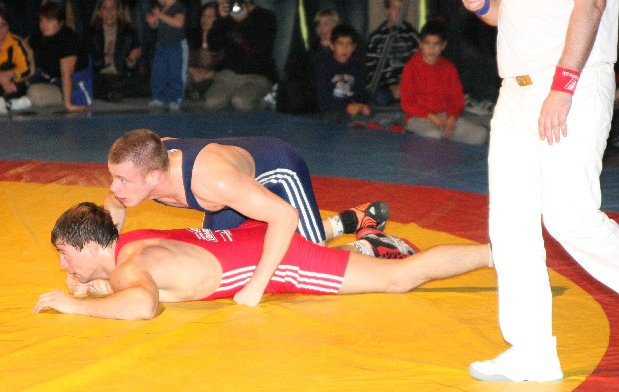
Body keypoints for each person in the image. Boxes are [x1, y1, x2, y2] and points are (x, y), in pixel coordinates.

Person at [462, 0, 619, 382]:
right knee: (510, 225)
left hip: (572, 83)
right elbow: (506, 15)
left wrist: (563, 86)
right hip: (515, 90)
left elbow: (591, 5)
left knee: (571, 218)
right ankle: (531, 351)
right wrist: (482, 6)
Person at [34, 202, 491, 320]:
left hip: (278, 259)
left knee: (399, 280)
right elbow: (147, 281)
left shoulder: (131, 270)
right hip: (252, 237)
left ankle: (500, 254)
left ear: (91, 247)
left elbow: (142, 305)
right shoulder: (129, 245)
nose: (61, 265)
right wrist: (96, 285)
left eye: (64, 254)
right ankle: (368, 241)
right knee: (368, 267)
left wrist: (76, 304)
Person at [103, 129, 392, 306]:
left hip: (278, 172)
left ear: (154, 177)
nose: (115, 188)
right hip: (231, 190)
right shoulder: (147, 164)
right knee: (236, 256)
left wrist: (256, 286)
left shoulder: (212, 182)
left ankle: (368, 245)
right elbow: (113, 203)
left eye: (122, 180)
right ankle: (344, 221)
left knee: (309, 259)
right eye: (115, 177)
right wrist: (106, 259)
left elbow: (285, 216)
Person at [399, 20, 488, 145]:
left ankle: (450, 146)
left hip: (445, 117)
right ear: (420, 44)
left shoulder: (449, 68)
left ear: (443, 46)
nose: (431, 48)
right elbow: (407, 103)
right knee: (434, 136)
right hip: (419, 118)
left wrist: (451, 117)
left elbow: (457, 99)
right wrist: (431, 116)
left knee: (480, 135)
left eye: (436, 44)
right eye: (427, 43)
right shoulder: (410, 68)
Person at [203, 0, 277, 111]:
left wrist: (243, 21)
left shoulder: (265, 17)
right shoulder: (227, 17)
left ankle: (265, 102)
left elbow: (260, 49)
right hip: (228, 74)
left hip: (256, 76)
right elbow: (213, 46)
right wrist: (221, 19)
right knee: (211, 102)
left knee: (240, 101)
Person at [27, 2, 93, 111]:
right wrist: (31, 66)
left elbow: (66, 75)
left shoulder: (68, 40)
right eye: (41, 20)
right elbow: (26, 43)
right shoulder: (43, 36)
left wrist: (68, 104)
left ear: (60, 23)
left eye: (48, 21)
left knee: (35, 94)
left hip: (75, 84)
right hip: (52, 78)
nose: (43, 25)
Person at [276, 8, 338, 114]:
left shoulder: (343, 47)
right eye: (319, 24)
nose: (322, 28)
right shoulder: (312, 47)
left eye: (326, 23)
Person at [87, 0, 147, 102]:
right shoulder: (90, 33)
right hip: (100, 77)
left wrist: (131, 60)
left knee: (145, 82)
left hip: (120, 77)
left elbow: (131, 69)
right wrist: (107, 57)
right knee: (92, 82)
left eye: (113, 8)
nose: (109, 11)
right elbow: (89, 64)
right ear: (99, 13)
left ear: (118, 12)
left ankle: (111, 93)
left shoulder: (129, 33)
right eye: (105, 8)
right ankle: (111, 93)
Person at [365, 0, 419, 108]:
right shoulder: (376, 38)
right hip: (385, 87)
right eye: (395, 7)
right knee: (379, 97)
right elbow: (371, 71)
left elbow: (418, 65)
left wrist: (404, 85)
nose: (398, 12)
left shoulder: (412, 35)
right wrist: (391, 86)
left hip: (409, 85)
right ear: (387, 10)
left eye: (401, 8)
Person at [315, 24, 371, 122]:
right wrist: (346, 106)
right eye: (340, 44)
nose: (345, 48)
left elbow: (361, 92)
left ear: (354, 47)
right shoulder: (325, 67)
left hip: (352, 110)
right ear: (332, 46)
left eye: (349, 44)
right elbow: (323, 100)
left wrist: (362, 106)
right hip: (331, 112)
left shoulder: (356, 67)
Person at [145, 0, 187, 111]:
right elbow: (158, 25)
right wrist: (153, 22)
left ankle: (176, 98)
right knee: (158, 71)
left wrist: (160, 16)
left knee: (175, 73)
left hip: (175, 46)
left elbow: (179, 23)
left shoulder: (178, 7)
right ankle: (159, 97)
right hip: (161, 45)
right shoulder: (162, 8)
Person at [185, 1, 222, 102]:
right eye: (203, 16)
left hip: (212, 77)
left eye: (210, 16)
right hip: (193, 75)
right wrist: (192, 70)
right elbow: (182, 58)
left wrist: (210, 73)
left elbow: (225, 63)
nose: (205, 19)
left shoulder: (223, 38)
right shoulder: (192, 36)